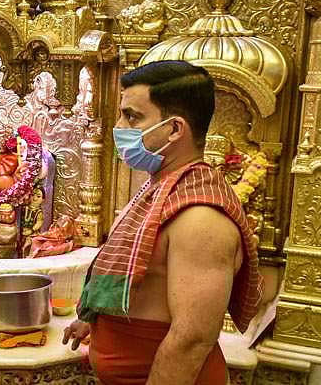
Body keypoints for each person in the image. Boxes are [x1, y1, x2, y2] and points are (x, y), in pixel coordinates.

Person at [63, 60, 262, 385]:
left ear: (175, 129)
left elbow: (192, 338)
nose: (119, 127)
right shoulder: (160, 189)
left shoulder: (201, 218)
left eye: (132, 117)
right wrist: (94, 320)